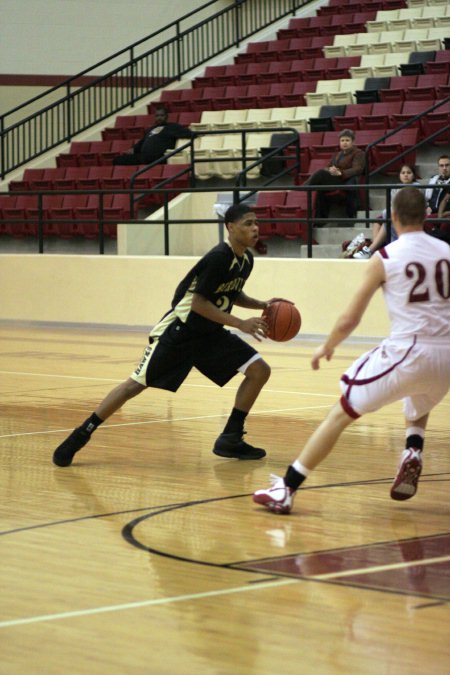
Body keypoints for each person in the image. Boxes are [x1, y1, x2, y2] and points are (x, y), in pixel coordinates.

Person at [253, 187, 450, 514]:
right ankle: (413, 448)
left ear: (394, 217)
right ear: (428, 215)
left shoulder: (385, 257)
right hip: (446, 357)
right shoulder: (446, 250)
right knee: (419, 396)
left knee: (340, 412)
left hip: (410, 351)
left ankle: (286, 489)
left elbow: (350, 318)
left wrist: (327, 346)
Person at [53, 204, 292, 468]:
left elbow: (231, 293)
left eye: (256, 222)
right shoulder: (218, 258)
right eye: (248, 223)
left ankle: (231, 438)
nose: (255, 228)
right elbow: (199, 303)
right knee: (134, 386)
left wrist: (263, 305)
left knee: (259, 370)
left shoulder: (246, 259)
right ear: (230, 227)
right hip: (180, 332)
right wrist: (239, 323)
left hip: (210, 334)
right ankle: (81, 433)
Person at [351, 164, 421, 259]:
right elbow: (394, 204)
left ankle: (373, 249)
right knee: (381, 220)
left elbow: (413, 205)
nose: (406, 175)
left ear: (413, 175)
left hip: (411, 215)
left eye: (409, 173)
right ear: (399, 175)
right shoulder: (395, 188)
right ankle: (376, 248)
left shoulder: (418, 187)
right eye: (403, 173)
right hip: (396, 215)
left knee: (386, 214)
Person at [304, 129, 365, 226]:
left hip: (345, 181)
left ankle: (302, 189)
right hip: (335, 179)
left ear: (353, 142)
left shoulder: (359, 153)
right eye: (342, 140)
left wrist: (340, 173)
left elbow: (358, 169)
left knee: (320, 173)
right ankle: (320, 221)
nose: (344, 143)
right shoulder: (338, 154)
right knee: (320, 189)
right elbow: (328, 167)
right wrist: (331, 170)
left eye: (347, 140)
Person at [112, 105, 196, 165]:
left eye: (161, 115)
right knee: (117, 160)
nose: (159, 118)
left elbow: (188, 133)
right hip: (144, 157)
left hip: (158, 157)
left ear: (166, 116)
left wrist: (196, 133)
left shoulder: (172, 127)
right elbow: (141, 142)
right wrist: (133, 149)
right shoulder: (150, 129)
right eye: (157, 116)